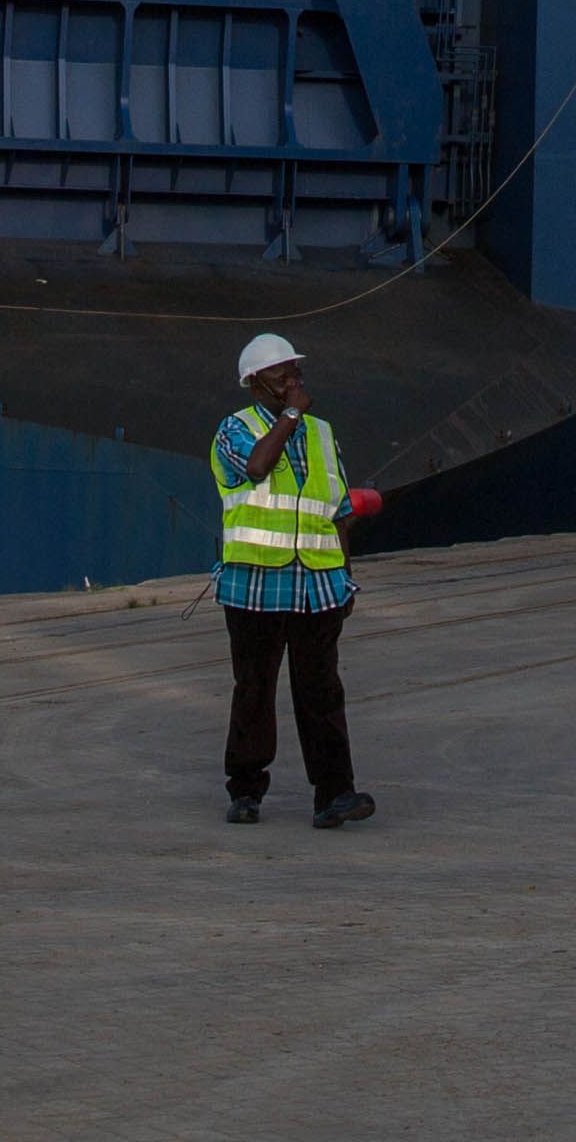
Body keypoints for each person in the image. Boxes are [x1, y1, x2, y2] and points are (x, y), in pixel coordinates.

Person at [209, 334, 382, 826]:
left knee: (322, 690)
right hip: (255, 585)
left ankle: (334, 795)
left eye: (296, 372)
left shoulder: (322, 433)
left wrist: (344, 576)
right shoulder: (234, 429)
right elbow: (258, 467)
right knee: (254, 690)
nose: (293, 381)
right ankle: (245, 790)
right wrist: (289, 417)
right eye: (282, 374)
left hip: (317, 584)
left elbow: (340, 510)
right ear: (254, 382)